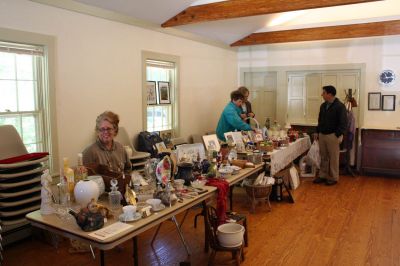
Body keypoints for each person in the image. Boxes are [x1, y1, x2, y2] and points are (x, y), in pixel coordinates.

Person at [313, 85, 347, 186]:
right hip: (322, 134)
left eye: (323, 93)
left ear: (330, 94)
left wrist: (337, 134)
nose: (322, 94)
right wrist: (317, 131)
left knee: (333, 158)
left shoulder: (340, 106)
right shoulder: (323, 106)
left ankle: (333, 177)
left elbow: (343, 123)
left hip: (333, 136)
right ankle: (322, 175)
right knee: (323, 157)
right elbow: (320, 120)